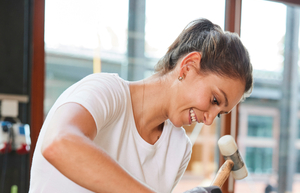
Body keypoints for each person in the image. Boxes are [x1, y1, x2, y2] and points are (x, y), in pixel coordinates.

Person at [29, 18, 253, 193]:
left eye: (221, 113)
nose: (210, 119)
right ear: (187, 66)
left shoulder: (178, 148)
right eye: (215, 100)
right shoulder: (106, 91)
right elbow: (59, 143)